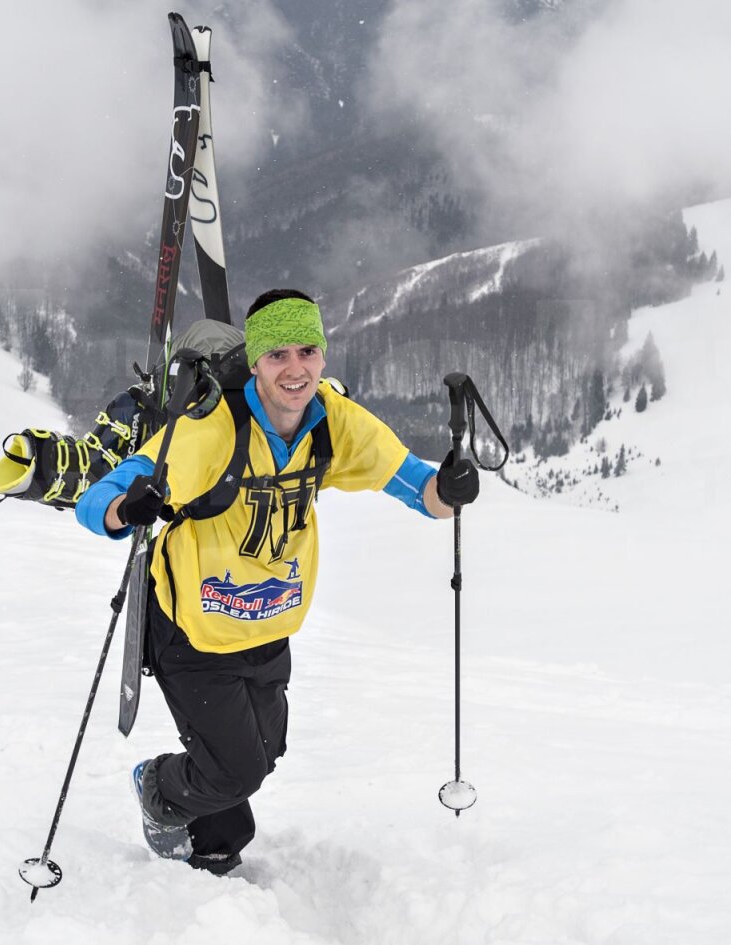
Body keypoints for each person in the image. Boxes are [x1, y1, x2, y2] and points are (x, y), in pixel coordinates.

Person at [75, 289, 479, 874]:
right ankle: (158, 789)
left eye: (308, 351)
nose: (296, 370)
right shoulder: (210, 431)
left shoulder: (332, 422)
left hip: (267, 626)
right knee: (236, 769)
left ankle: (213, 847)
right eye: (278, 355)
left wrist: (453, 488)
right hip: (192, 631)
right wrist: (127, 508)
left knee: (264, 753)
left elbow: (421, 491)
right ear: (258, 362)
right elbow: (102, 501)